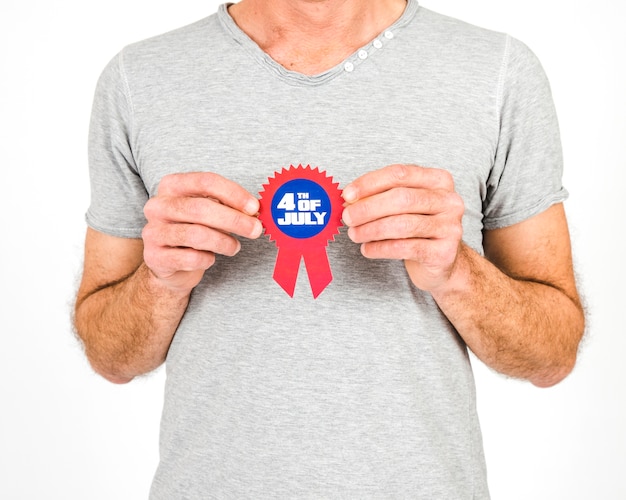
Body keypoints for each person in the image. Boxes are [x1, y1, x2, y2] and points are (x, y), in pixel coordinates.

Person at [73, 0, 585, 497]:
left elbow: (551, 357)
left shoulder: (497, 72)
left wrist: (457, 274)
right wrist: (158, 282)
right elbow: (110, 358)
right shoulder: (138, 79)